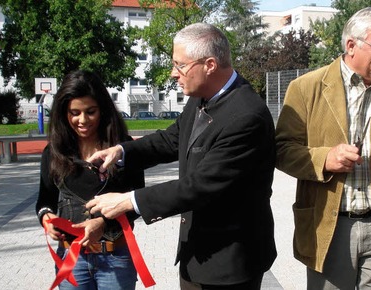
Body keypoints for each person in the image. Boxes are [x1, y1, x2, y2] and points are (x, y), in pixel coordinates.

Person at [85, 23, 277, 289]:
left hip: (230, 262)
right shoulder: (202, 95)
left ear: (209, 64)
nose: (174, 73)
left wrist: (129, 201)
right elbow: (173, 137)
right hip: (198, 254)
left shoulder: (246, 116)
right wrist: (123, 151)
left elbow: (200, 185)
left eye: (180, 65)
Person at [275, 7, 371, 290]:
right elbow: (282, 150)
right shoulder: (305, 88)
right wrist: (325, 159)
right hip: (329, 226)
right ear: (351, 46)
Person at [36, 70, 145, 289]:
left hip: (115, 259)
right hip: (71, 258)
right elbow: (44, 200)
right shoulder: (54, 152)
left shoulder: (123, 149)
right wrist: (46, 218)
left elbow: (137, 202)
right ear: (63, 113)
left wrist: (103, 222)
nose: (82, 120)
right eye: (74, 112)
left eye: (90, 112)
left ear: (103, 110)